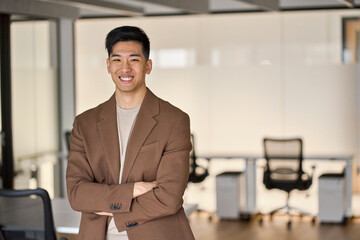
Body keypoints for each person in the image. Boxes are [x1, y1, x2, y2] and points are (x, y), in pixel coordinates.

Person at [66, 26, 195, 240]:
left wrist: (107, 206)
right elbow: (76, 194)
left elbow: (169, 197)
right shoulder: (84, 123)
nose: (125, 69)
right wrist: (133, 189)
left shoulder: (174, 120)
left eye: (134, 60)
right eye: (117, 60)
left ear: (148, 66)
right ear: (108, 66)